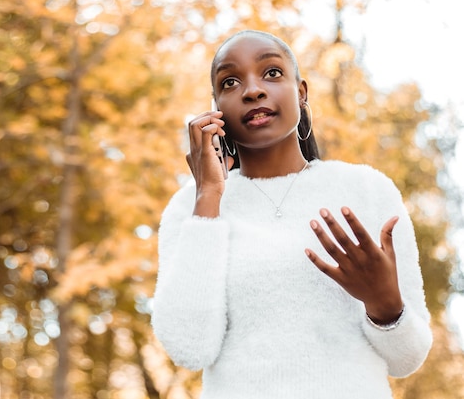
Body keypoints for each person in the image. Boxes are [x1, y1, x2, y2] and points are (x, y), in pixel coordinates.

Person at [151, 30, 432, 398]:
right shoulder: (189, 209)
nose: (252, 90)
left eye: (271, 73)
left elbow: (407, 360)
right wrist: (208, 196)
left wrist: (384, 305)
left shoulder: (367, 190)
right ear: (216, 107)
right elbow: (188, 349)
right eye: (230, 81)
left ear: (301, 92)